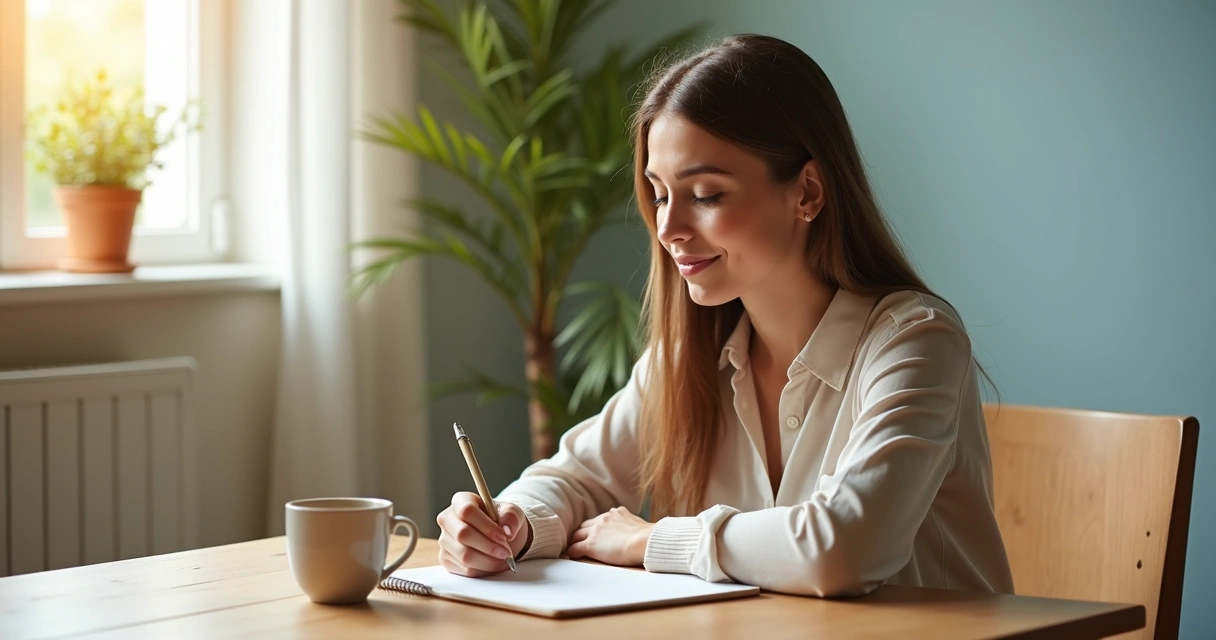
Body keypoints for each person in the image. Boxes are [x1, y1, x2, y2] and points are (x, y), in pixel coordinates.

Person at [435, 33, 1014, 597]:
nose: (668, 229)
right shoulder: (690, 356)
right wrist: (510, 524)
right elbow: (575, 479)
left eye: (706, 194)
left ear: (808, 192)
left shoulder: (915, 343)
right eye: (659, 193)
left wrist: (654, 541)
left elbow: (844, 549)